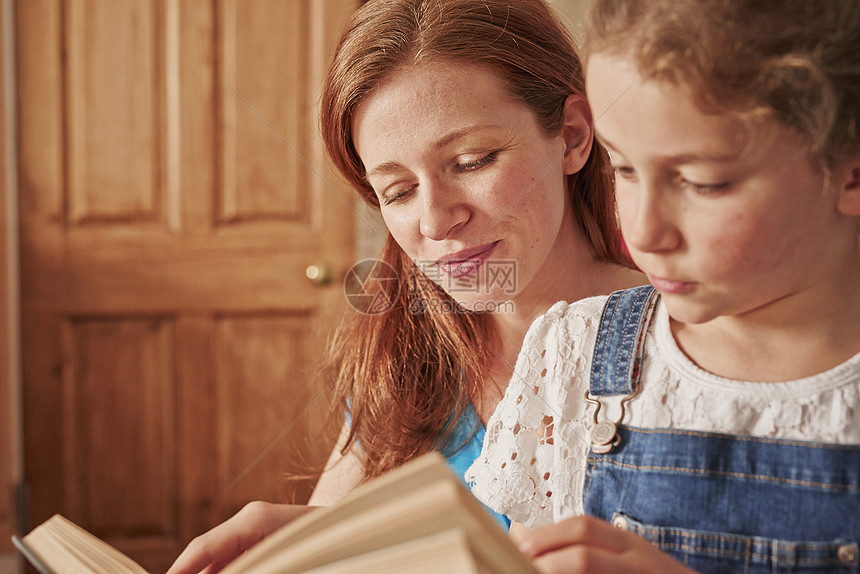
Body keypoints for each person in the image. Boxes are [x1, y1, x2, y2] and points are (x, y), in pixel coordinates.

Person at [167, 0, 644, 571]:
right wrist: (315, 545)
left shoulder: (681, 345)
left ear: (571, 137)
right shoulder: (406, 349)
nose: (436, 221)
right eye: (396, 192)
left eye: (472, 161)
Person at [466, 0, 860, 572]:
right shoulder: (572, 350)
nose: (644, 231)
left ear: (850, 171)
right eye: (623, 168)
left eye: (702, 183)